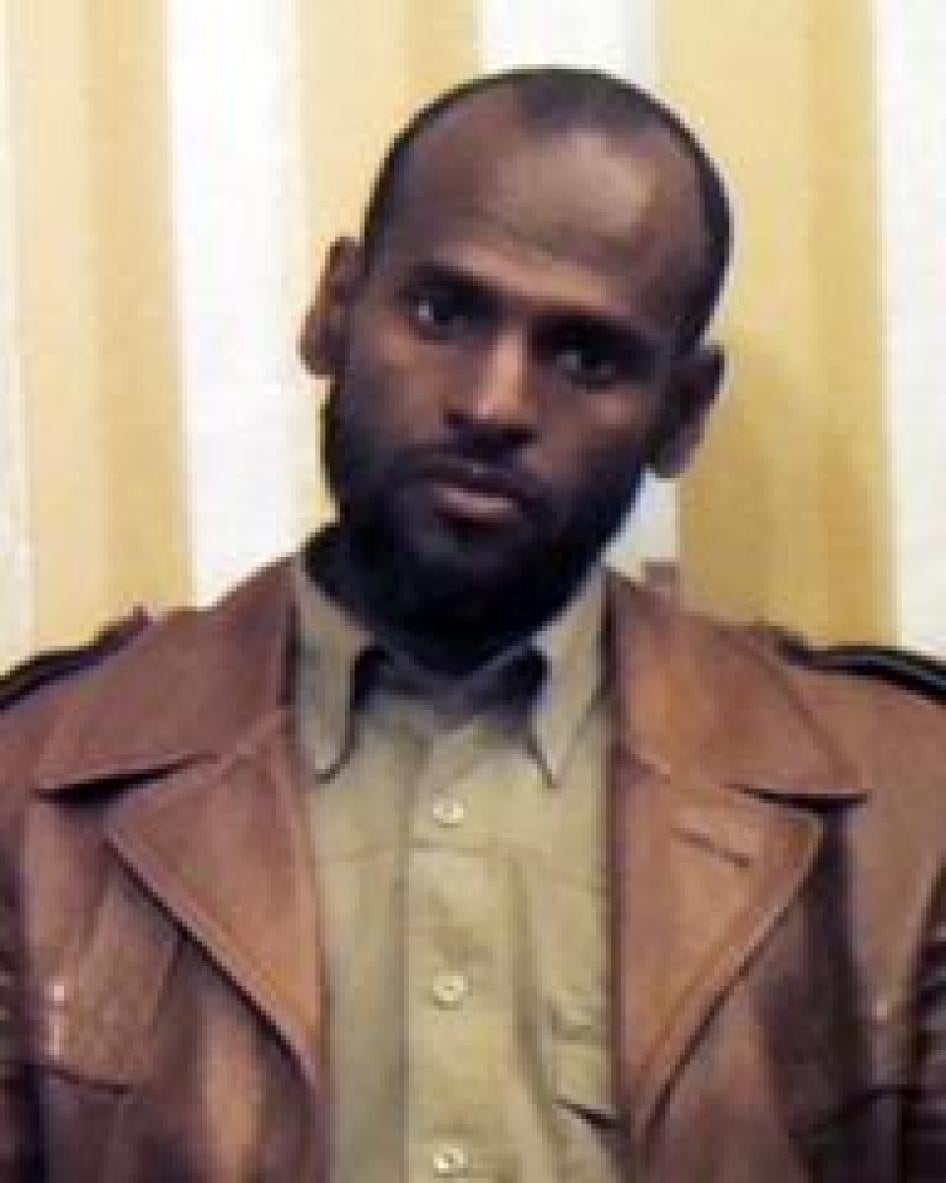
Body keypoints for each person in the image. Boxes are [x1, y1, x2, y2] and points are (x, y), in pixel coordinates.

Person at [0, 66, 944, 1182]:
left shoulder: (905, 807)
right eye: (443, 313)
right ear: (334, 310)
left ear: (682, 412)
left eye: (585, 356)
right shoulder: (37, 793)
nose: (494, 404)